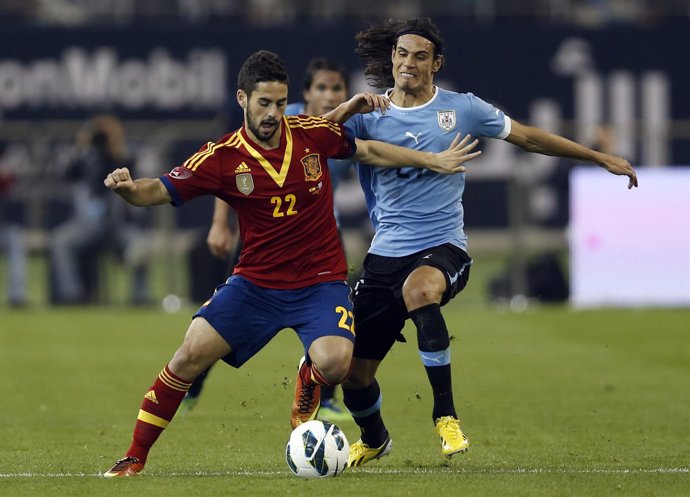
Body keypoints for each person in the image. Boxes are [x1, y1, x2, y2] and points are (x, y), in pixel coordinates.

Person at [101, 49, 480, 478]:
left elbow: (370, 150)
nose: (273, 113)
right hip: (255, 285)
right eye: (264, 103)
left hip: (320, 284)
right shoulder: (220, 157)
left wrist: (433, 160)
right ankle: (134, 456)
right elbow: (158, 190)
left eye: (280, 104)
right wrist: (128, 189)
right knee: (188, 356)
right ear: (242, 98)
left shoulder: (311, 135)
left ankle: (310, 376)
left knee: (337, 363)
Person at [323, 18, 638, 467]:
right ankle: (374, 439)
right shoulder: (370, 115)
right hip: (384, 254)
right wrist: (347, 109)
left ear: (437, 64)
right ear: (391, 59)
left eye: (419, 56)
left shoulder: (463, 109)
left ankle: (445, 416)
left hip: (443, 246)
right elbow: (308, 141)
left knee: (420, 290)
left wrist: (599, 156)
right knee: (354, 375)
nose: (408, 63)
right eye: (402, 54)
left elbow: (528, 137)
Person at [184, 57, 356, 423]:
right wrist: (220, 224)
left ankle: (325, 397)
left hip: (320, 232)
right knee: (225, 312)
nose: (329, 95)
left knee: (333, 310)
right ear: (306, 93)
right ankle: (195, 377)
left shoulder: (340, 127)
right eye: (321, 88)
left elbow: (368, 164)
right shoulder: (281, 118)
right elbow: (229, 170)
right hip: (262, 237)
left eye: (336, 89)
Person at [49, 115, 151, 305]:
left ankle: (140, 296)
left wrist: (115, 145)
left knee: (141, 244)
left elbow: (132, 172)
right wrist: (83, 147)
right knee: (61, 240)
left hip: (119, 228)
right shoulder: (87, 159)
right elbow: (68, 174)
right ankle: (72, 295)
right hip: (88, 227)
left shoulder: (125, 157)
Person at [0, 141, 28, 307]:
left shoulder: (8, 165)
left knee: (16, 245)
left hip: (6, 224)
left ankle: (16, 296)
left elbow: (8, 181)